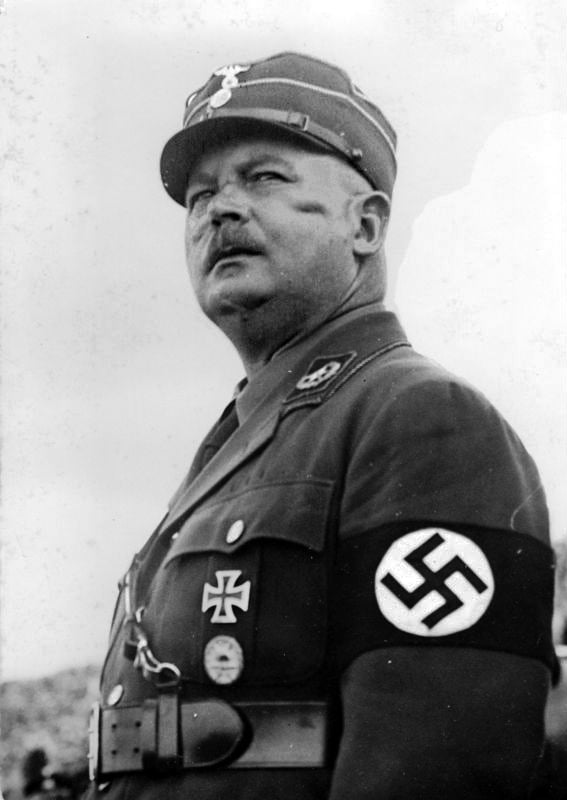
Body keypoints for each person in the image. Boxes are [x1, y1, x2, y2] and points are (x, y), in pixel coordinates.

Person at [85, 52, 561, 799]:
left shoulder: (418, 417)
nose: (219, 209)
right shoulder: (248, 435)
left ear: (365, 224)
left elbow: (438, 767)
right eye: (200, 195)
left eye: (263, 177)